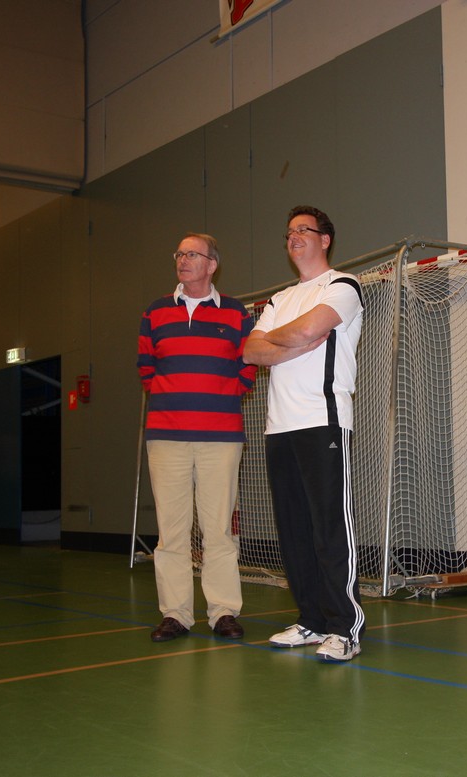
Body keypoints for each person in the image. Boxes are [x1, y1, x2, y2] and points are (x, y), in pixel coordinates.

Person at [243, 205, 365, 662]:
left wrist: (281, 338)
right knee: (293, 530)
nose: (293, 237)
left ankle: (344, 628)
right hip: (280, 428)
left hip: (324, 421)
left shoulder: (343, 286)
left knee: (330, 527)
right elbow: (251, 351)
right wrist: (293, 341)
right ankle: (312, 619)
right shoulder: (279, 299)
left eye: (303, 230)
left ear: (325, 239)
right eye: (289, 232)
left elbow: (314, 327)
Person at [138, 233, 257, 642]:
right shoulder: (154, 312)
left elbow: (248, 365)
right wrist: (174, 399)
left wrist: (220, 397)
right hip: (165, 437)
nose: (183, 259)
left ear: (212, 265)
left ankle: (223, 612)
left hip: (221, 438)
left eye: (192, 254)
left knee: (218, 528)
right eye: (180, 253)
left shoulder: (236, 313)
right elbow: (146, 368)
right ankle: (176, 614)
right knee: (171, 531)